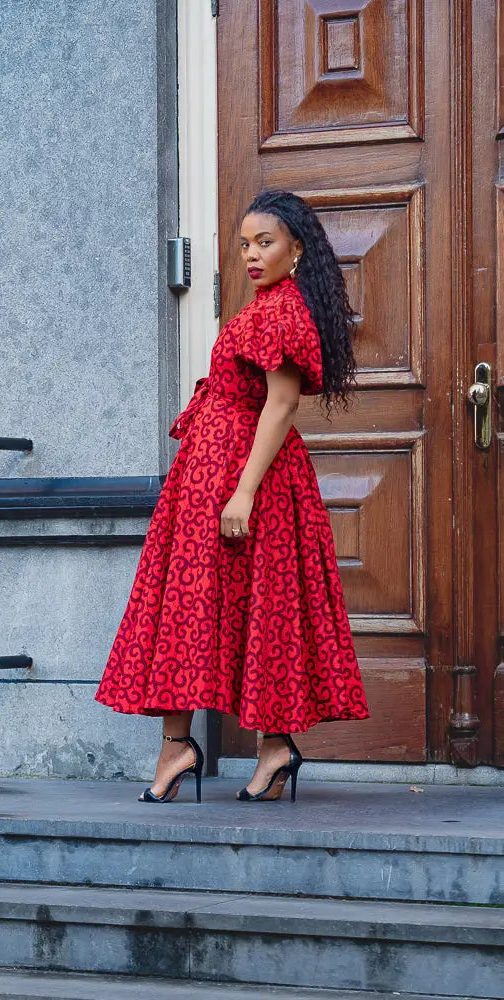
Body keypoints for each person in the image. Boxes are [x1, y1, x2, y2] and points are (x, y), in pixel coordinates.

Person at [95, 188, 369, 804]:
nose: (250, 253)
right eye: (244, 243)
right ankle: (252, 749)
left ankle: (214, 748)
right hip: (213, 472)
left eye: (264, 242)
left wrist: (242, 492)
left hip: (246, 479)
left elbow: (281, 404)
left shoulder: (280, 311)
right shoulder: (268, 304)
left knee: (241, 604)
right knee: (212, 605)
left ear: (297, 249)